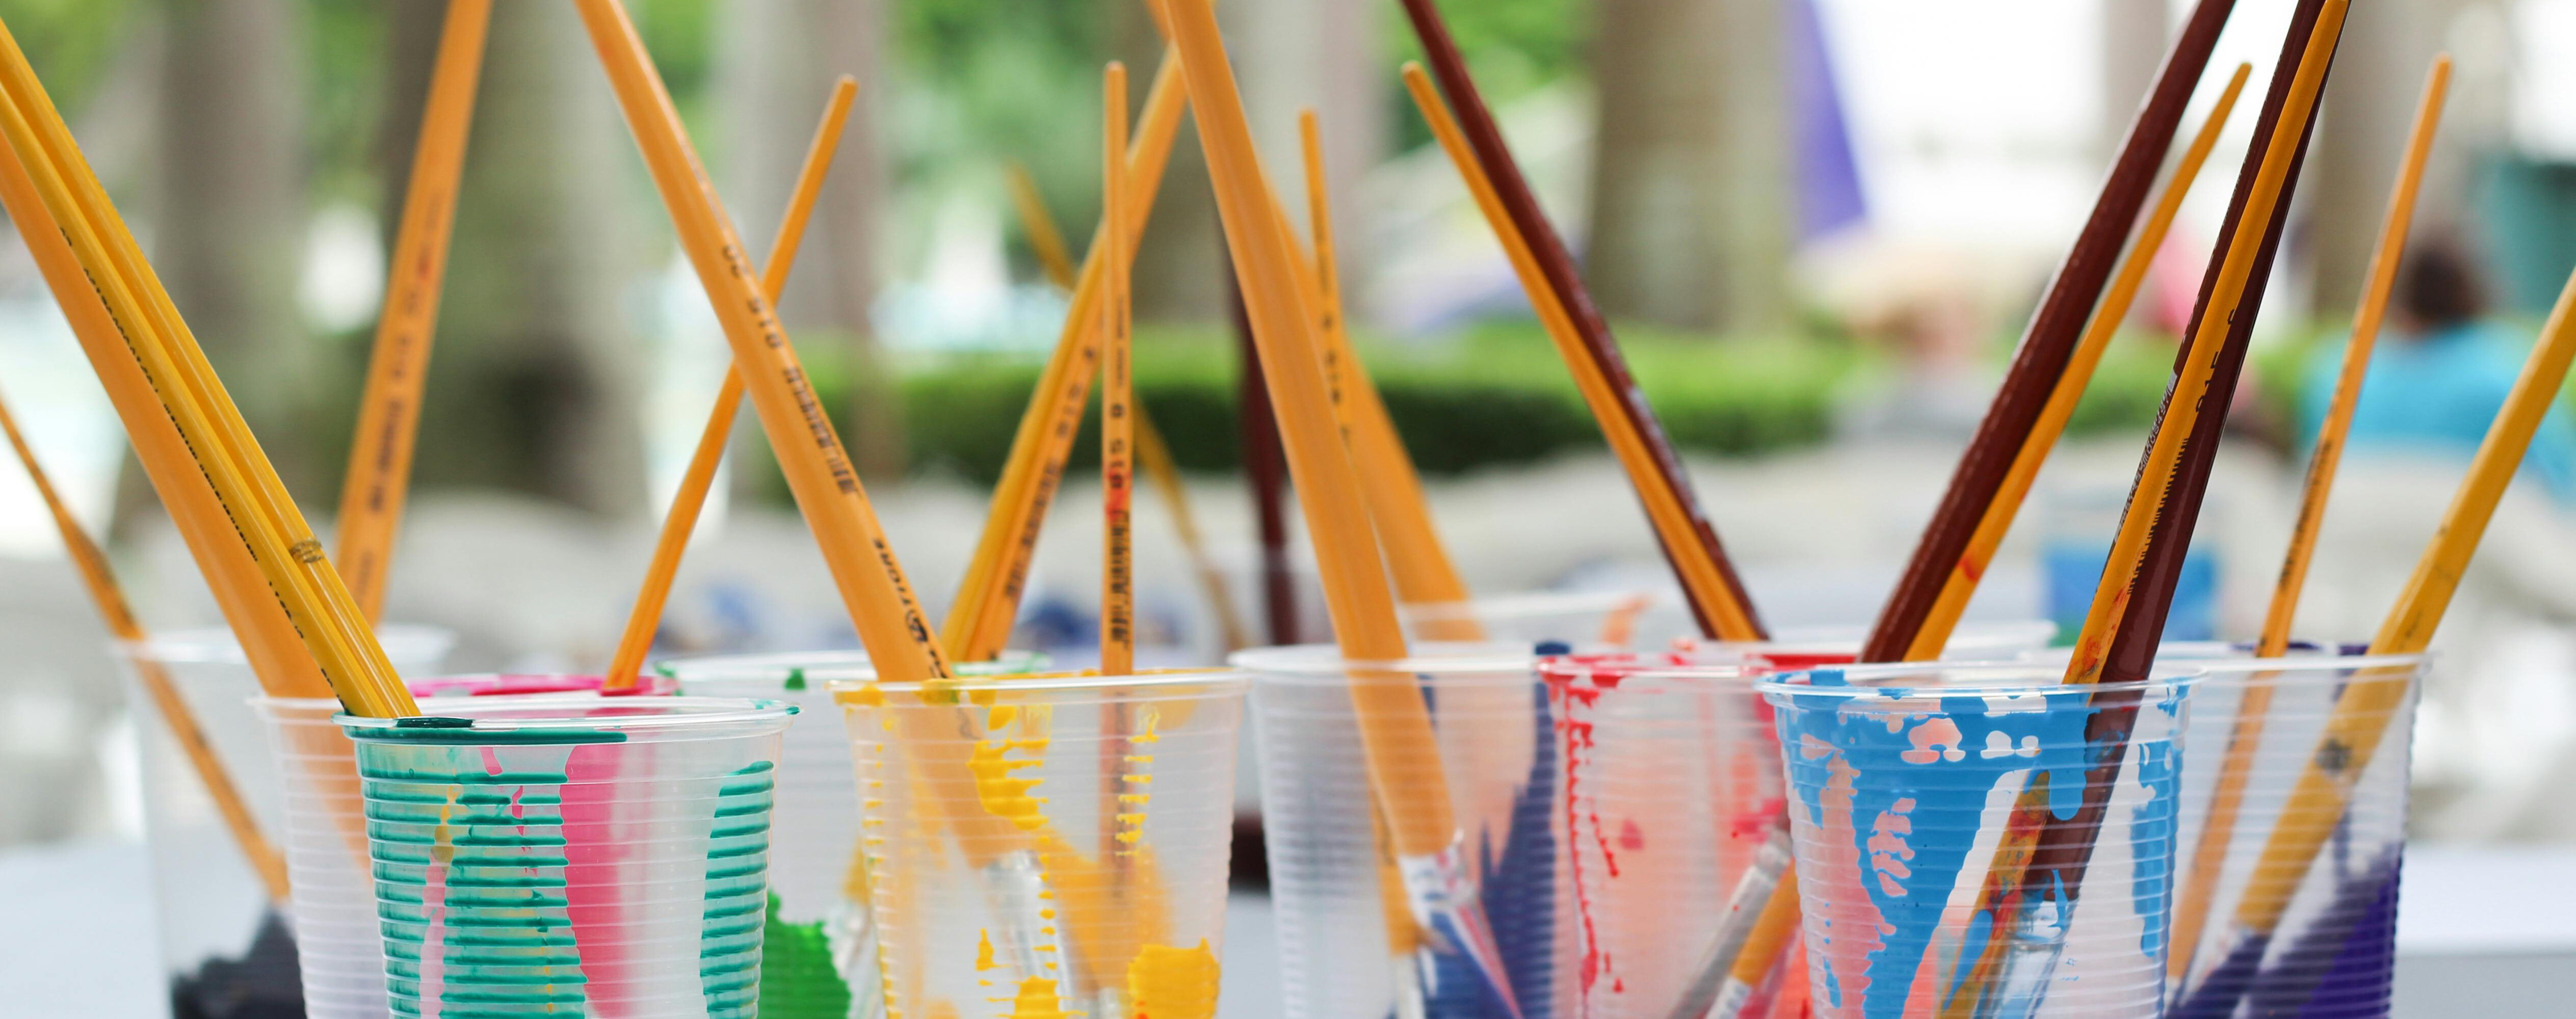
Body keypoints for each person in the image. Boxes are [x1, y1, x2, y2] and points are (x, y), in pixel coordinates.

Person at [2299, 236, 2576, 505]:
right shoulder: (2509, 368)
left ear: (2398, 301)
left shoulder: (2339, 370)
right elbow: (2558, 486)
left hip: (2346, 540)